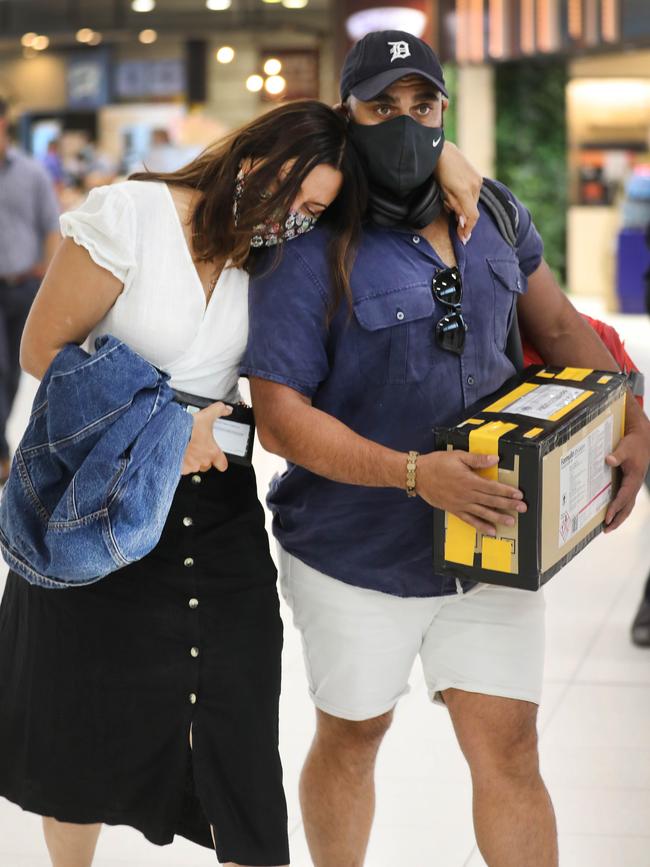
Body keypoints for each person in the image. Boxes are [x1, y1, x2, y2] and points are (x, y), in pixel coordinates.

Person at [0, 97, 482, 867]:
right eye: (292, 192)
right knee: (76, 723)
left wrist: (445, 153)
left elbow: (380, 136)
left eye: (314, 209)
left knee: (237, 726)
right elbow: (41, 352)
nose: (294, 217)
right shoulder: (132, 214)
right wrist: (161, 429)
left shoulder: (281, 257)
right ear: (255, 154)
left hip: (212, 509)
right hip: (99, 490)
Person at [241, 31, 650, 867]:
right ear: (345, 116)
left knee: (510, 747)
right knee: (353, 735)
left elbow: (562, 327)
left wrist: (630, 407)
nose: (404, 123)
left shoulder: (490, 210)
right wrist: (412, 474)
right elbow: (279, 416)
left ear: (443, 110)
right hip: (355, 550)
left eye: (421, 105)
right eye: (381, 106)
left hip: (495, 541)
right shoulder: (309, 240)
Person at [0, 97, 61, 483]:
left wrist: (46, 274)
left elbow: (52, 226)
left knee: (11, 374)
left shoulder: (31, 173)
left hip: (23, 284)